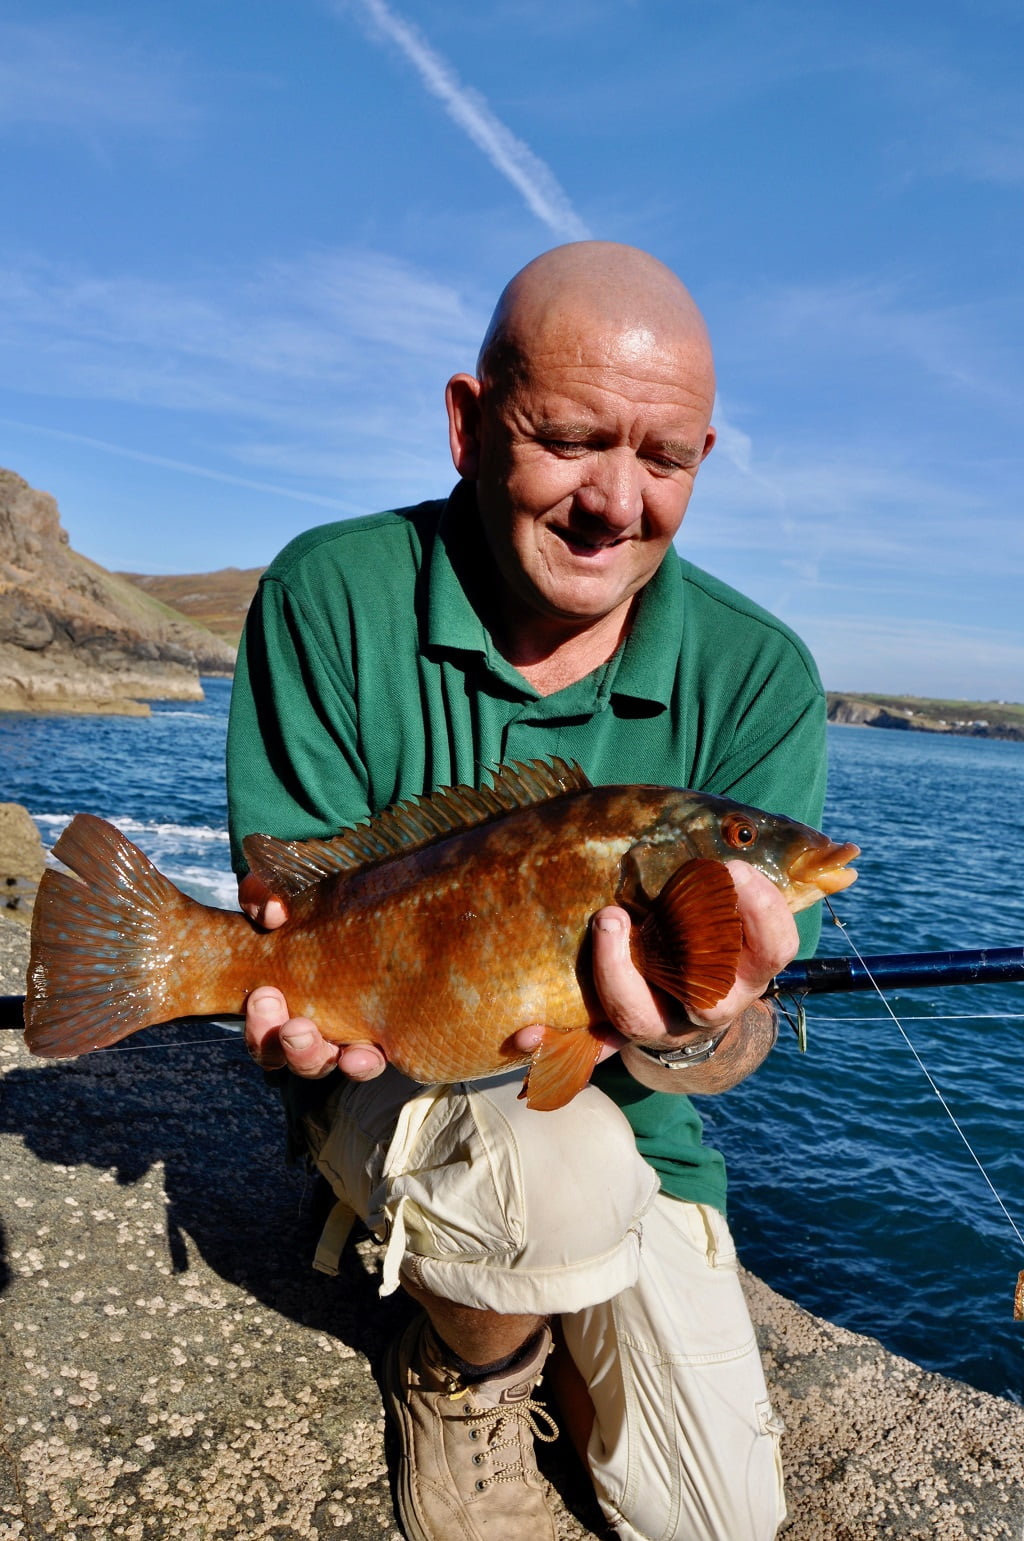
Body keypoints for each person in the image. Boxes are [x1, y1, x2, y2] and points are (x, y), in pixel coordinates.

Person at [226, 241, 827, 1541]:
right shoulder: (330, 593)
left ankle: (532, 1291)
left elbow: (741, 1036)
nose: (615, 501)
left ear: (704, 460)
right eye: (568, 439)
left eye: (663, 458)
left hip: (634, 1134)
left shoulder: (764, 677)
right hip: (396, 1065)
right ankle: (469, 1369)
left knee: (714, 1522)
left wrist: (695, 1028)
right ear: (468, 421)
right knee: (559, 1179)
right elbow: (290, 903)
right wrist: (280, 1002)